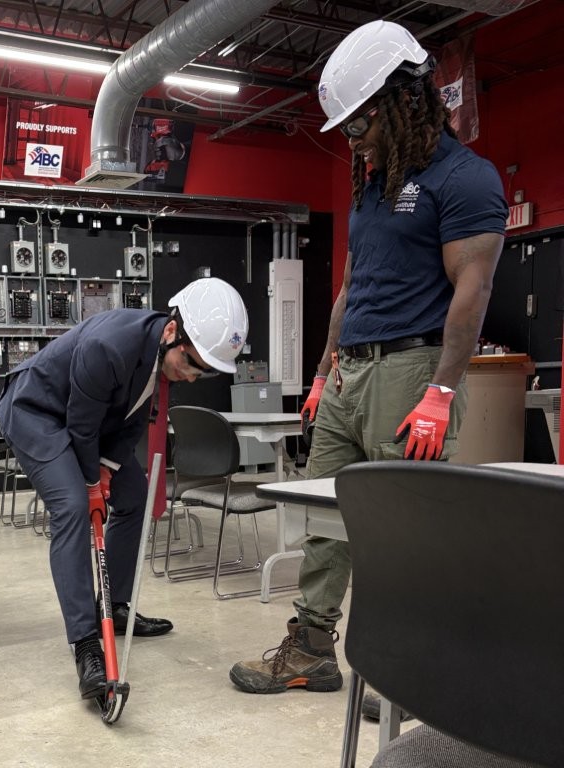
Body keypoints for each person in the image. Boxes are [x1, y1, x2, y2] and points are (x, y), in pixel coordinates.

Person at [229, 19, 508, 696]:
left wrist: (441, 392)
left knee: (403, 528)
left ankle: (412, 667)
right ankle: (312, 649)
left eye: (359, 122)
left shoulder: (466, 179)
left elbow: (472, 294)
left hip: (411, 373)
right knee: (324, 520)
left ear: (402, 100)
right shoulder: (374, 188)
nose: (352, 139)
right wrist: (323, 373)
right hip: (350, 373)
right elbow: (352, 288)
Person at [0, 277, 248, 701]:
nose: (192, 376)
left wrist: (109, 470)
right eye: (192, 363)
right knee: (73, 506)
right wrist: (93, 482)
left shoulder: (161, 354)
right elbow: (81, 427)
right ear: (172, 331)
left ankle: (113, 606)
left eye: (204, 371)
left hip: (88, 422)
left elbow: (134, 421)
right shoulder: (109, 346)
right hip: (36, 411)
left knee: (134, 498)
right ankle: (86, 643)